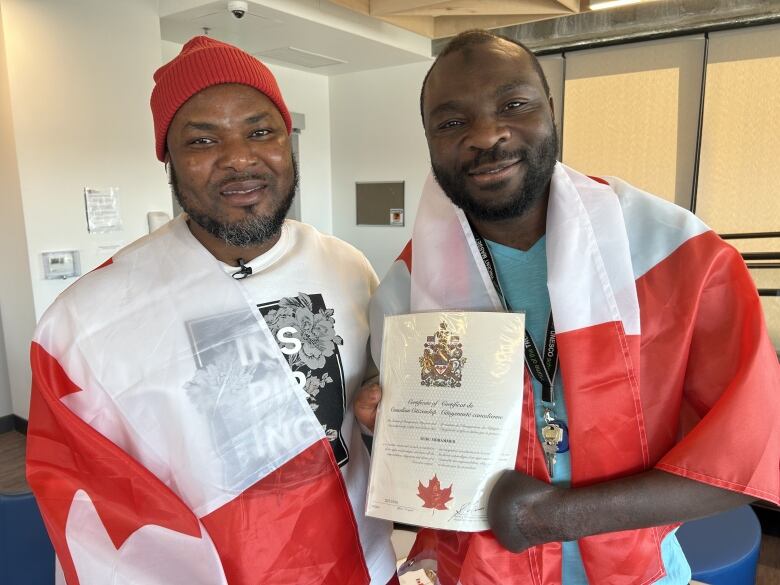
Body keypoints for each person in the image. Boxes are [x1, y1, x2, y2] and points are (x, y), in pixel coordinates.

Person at [358, 29, 780, 584]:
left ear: (550, 110)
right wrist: (378, 425)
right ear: (430, 140)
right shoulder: (407, 286)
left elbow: (744, 456)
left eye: (513, 104)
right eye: (452, 122)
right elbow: (403, 460)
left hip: (640, 571)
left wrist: (549, 517)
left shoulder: (675, 251)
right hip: (479, 571)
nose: (487, 135)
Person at [27, 36, 397, 585]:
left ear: (286, 142)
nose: (240, 159)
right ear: (169, 158)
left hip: (360, 561)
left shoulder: (346, 267)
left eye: (260, 131)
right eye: (203, 140)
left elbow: (370, 408)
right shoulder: (84, 323)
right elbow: (97, 515)